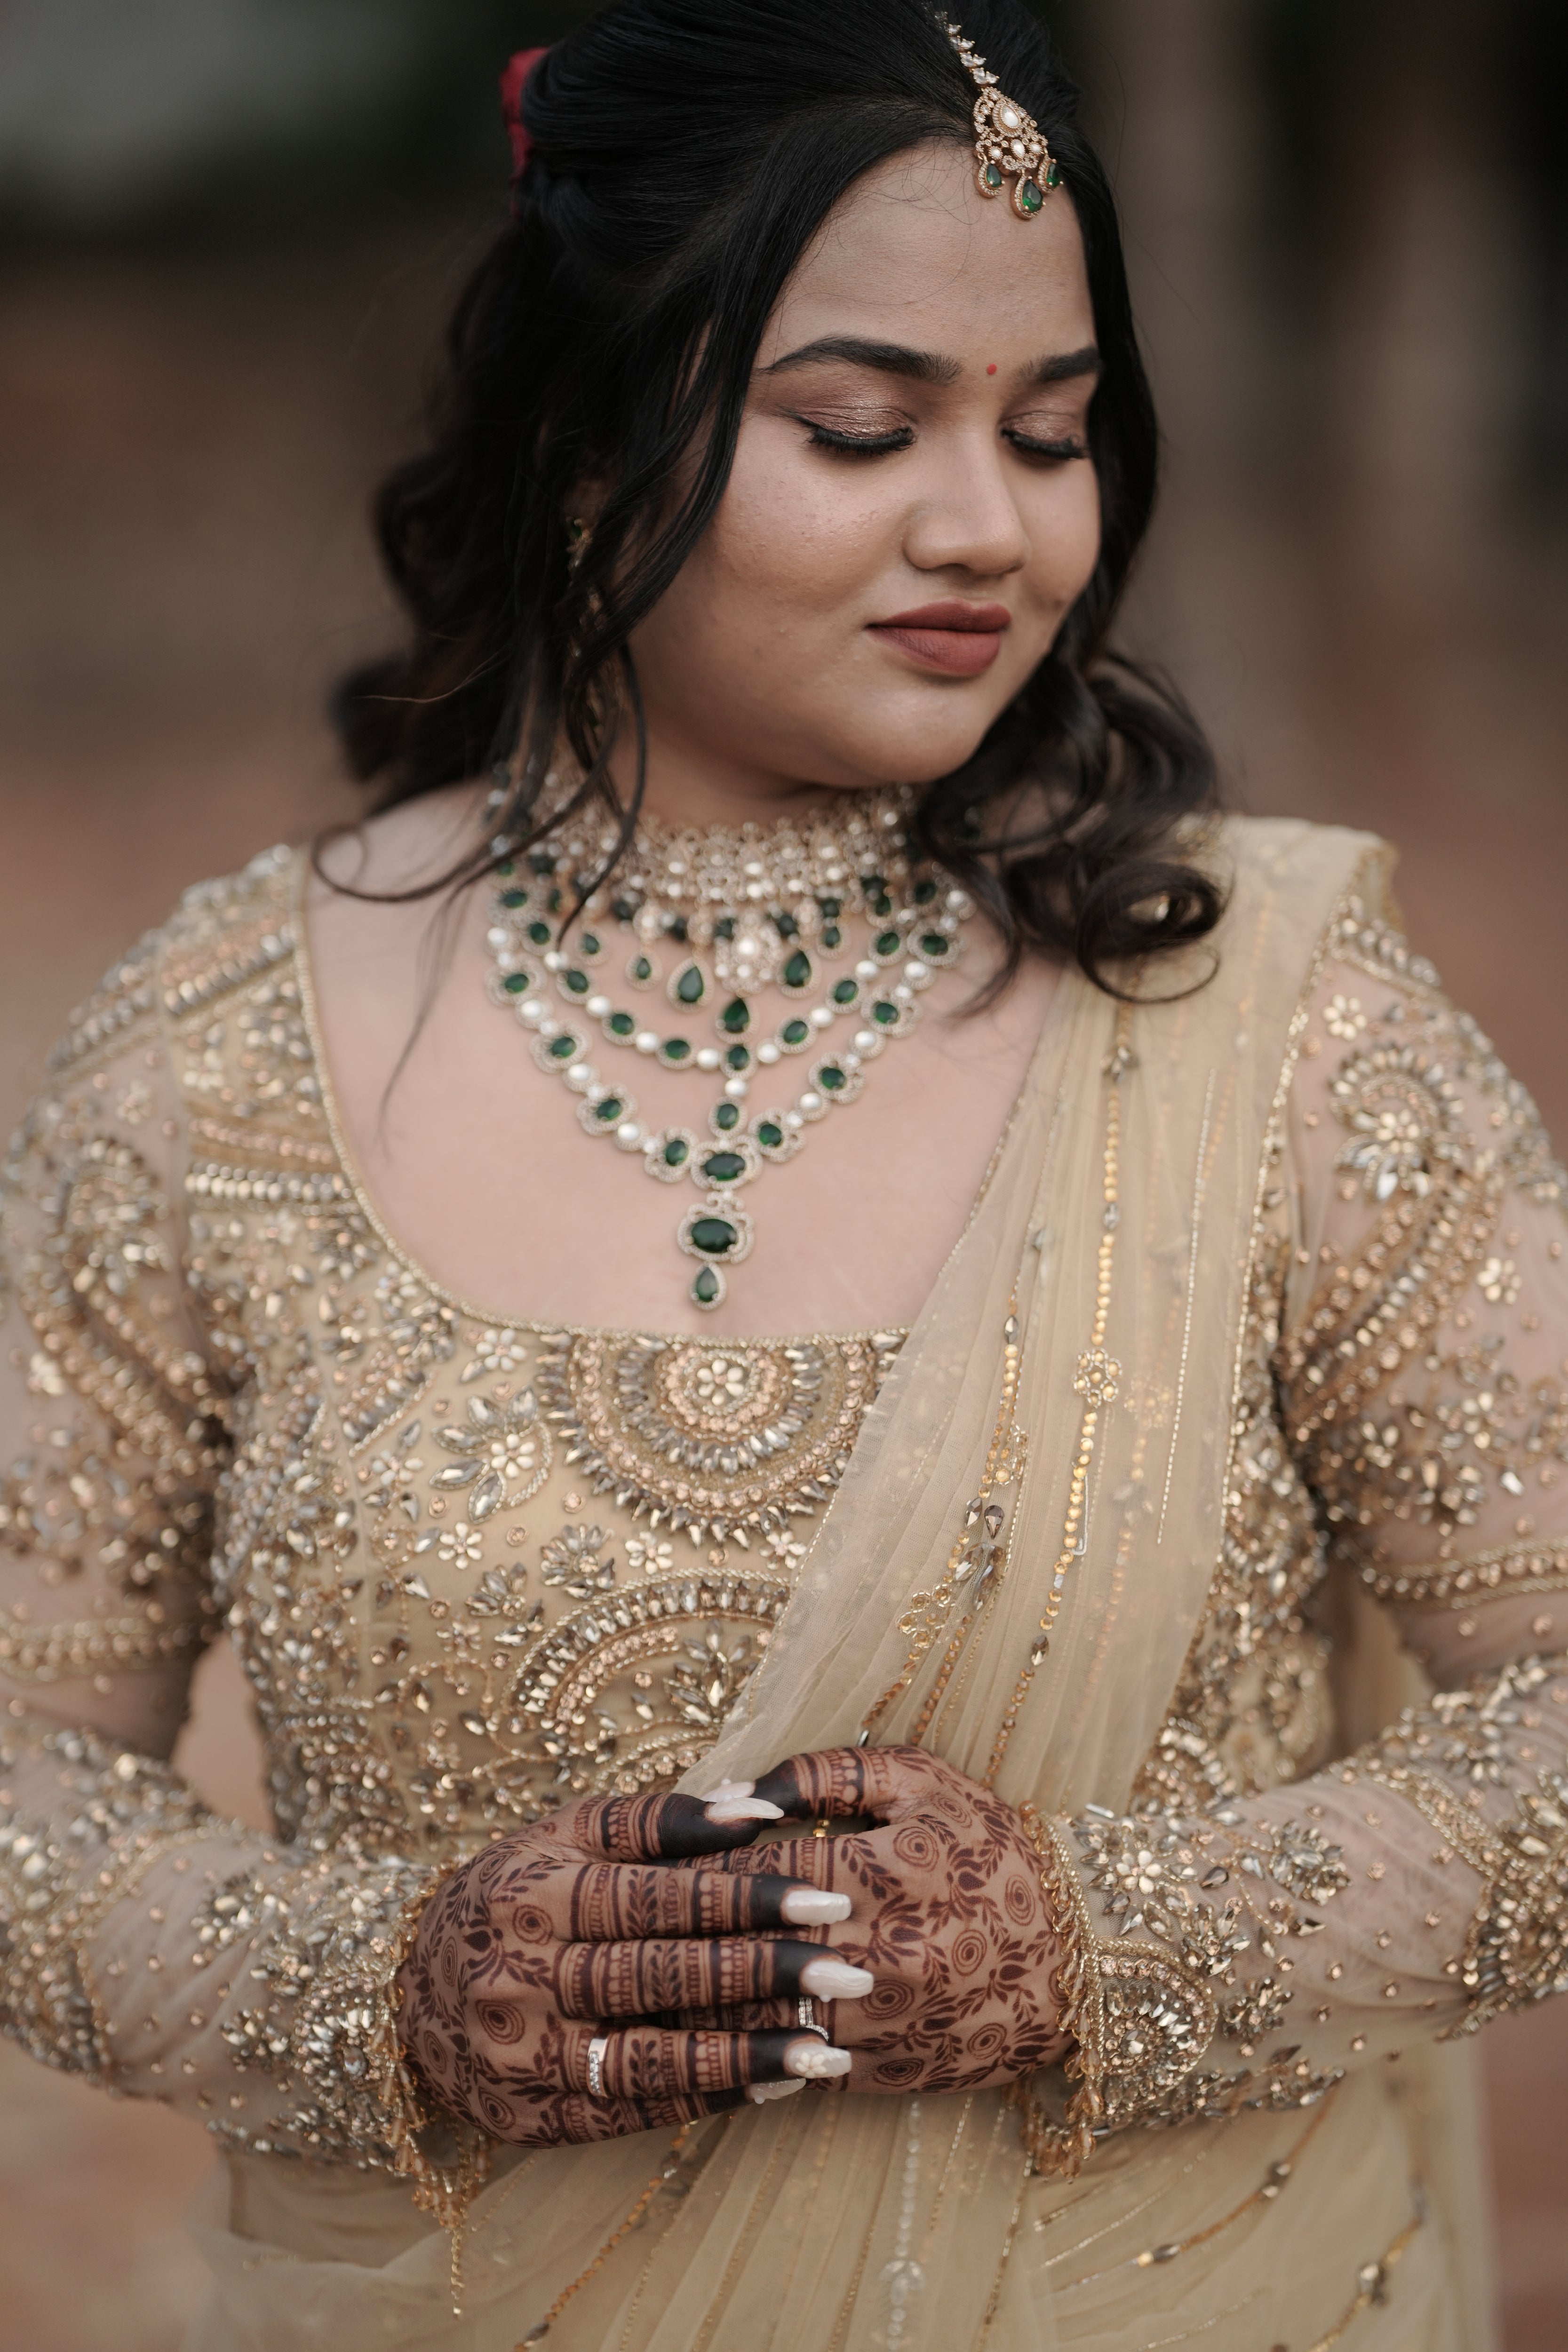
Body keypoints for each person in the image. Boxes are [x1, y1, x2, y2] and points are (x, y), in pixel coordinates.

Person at [2, 3, 1563, 2345]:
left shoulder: (1276, 1025)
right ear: (582, 439)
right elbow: (24, 1768)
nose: (990, 526)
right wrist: (377, 1988)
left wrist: (1097, 1941)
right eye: (861, 425)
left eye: (1052, 433)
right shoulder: (218, 1054)